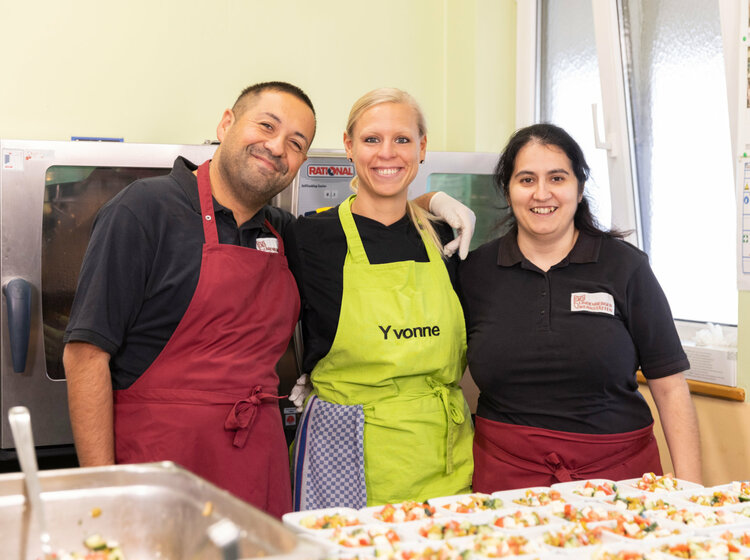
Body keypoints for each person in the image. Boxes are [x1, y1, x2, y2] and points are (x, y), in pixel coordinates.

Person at [63, 81, 475, 517]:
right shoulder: (147, 209)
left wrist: (435, 200)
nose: (277, 148)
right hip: (163, 457)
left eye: (295, 143)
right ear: (226, 124)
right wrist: (100, 491)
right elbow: (86, 355)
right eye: (266, 126)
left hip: (258, 458)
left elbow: (386, 211)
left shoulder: (279, 230)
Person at [459, 123, 702, 492]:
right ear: (508, 190)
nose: (542, 193)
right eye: (526, 180)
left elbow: (669, 386)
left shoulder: (625, 267)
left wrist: (692, 492)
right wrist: (430, 202)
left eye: (557, 177)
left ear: (579, 187)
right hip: (505, 480)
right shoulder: (475, 272)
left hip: (619, 479)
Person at [289, 88, 474, 510]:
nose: (386, 153)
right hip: (345, 451)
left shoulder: (446, 237)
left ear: (423, 147)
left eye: (402, 139)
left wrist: (432, 201)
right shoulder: (309, 237)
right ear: (349, 146)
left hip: (441, 453)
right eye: (372, 139)